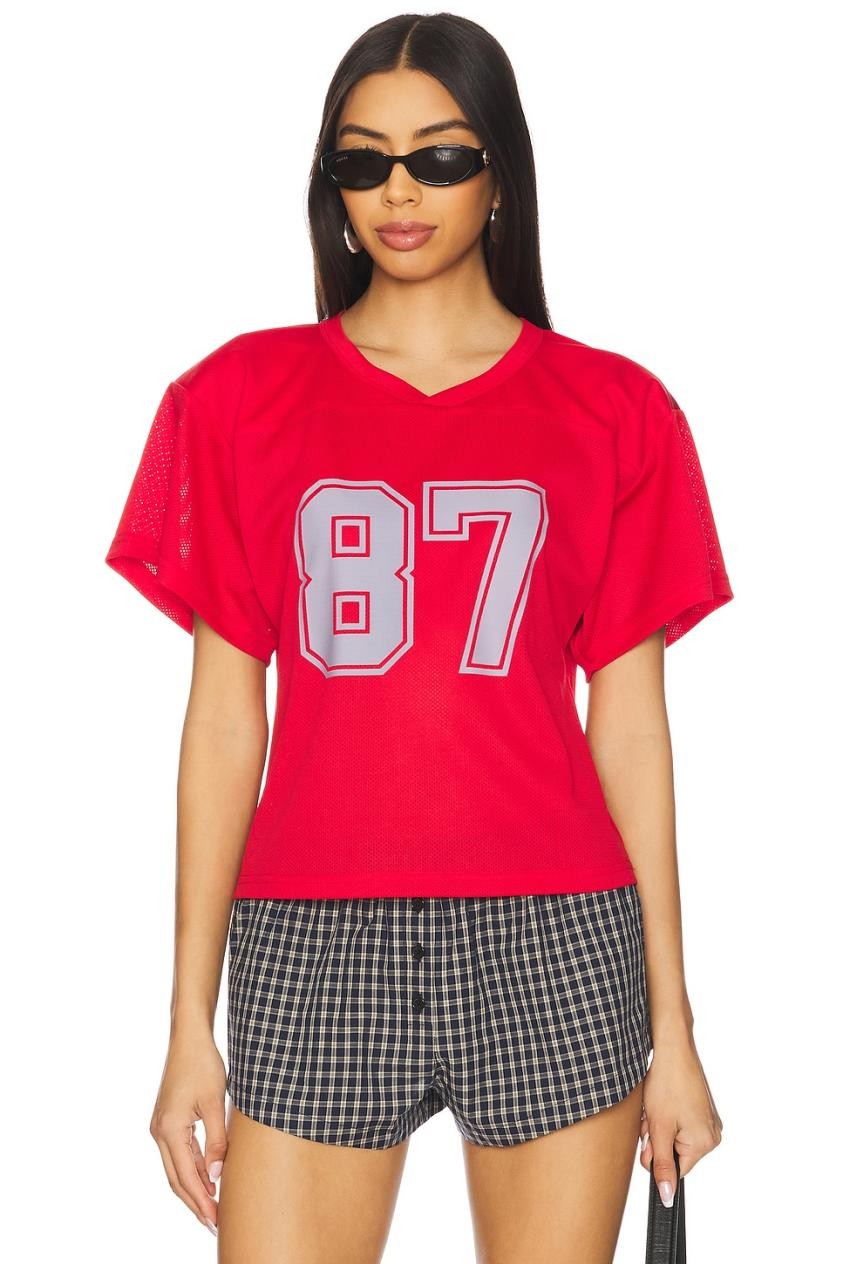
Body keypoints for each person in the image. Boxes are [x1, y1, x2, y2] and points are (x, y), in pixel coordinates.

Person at [104, 12, 732, 1263]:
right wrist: (187, 1023)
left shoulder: (617, 410)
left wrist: (676, 1030)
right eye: (363, 159)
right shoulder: (233, 401)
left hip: (556, 932)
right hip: (311, 935)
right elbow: (223, 720)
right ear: (331, 184)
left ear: (500, 172)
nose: (400, 190)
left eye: (439, 156)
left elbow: (632, 729)